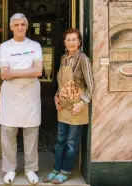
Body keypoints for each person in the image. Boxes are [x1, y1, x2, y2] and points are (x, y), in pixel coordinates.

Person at [43, 28, 93, 184]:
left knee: (71, 143)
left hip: (77, 106)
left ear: (79, 43)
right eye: (68, 39)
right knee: (60, 141)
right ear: (64, 43)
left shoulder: (83, 59)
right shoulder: (64, 58)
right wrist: (56, 96)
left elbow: (91, 85)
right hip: (63, 105)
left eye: (74, 39)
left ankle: (65, 171)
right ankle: (56, 169)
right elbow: (61, 82)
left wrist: (81, 103)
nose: (71, 42)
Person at [0, 13, 43, 185]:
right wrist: (27, 71)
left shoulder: (35, 46)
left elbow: (38, 71)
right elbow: (4, 74)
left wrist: (13, 73)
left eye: (23, 24)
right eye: (16, 25)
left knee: (31, 132)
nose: (20, 27)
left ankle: (30, 168)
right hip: (10, 96)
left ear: (27, 26)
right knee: (8, 132)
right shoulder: (5, 47)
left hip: (30, 95)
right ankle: (10, 168)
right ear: (11, 27)